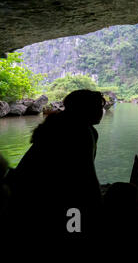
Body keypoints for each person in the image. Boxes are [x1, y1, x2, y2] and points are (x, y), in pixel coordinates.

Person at [5, 89, 106, 242]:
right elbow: (87, 179)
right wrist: (99, 212)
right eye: (98, 106)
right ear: (86, 109)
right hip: (46, 201)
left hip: (22, 193)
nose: (101, 110)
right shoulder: (82, 130)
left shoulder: (58, 124)